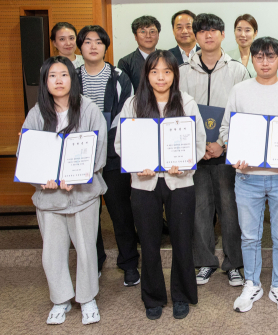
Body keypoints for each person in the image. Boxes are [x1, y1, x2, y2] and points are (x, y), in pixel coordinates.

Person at [221, 37, 278, 314]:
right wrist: (234, 151)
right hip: (247, 177)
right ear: (253, 59)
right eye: (259, 57)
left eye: (270, 56)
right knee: (250, 237)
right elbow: (226, 130)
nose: (264, 62)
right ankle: (252, 283)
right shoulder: (239, 90)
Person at [114, 50, 206, 320]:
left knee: (182, 240)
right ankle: (153, 297)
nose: (161, 77)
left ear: (175, 75)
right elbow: (121, 143)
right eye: (155, 72)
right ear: (147, 75)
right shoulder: (133, 104)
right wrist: (136, 164)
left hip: (180, 181)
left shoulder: (186, 102)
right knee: (149, 242)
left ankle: (181, 296)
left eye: (167, 71)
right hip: (144, 183)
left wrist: (185, 163)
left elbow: (199, 142)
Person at [20, 56, 107, 325]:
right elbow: (26, 154)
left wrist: (77, 178)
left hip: (83, 195)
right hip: (49, 197)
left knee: (86, 249)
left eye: (64, 75)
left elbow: (99, 150)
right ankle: (60, 300)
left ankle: (87, 298)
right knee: (52, 252)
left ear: (73, 78)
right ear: (45, 81)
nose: (58, 81)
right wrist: (41, 180)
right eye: (52, 76)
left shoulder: (88, 109)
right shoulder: (36, 113)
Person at [179, 13, 249, 287]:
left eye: (214, 30)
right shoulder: (182, 71)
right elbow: (178, 113)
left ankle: (233, 264)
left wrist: (223, 144)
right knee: (200, 211)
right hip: (195, 156)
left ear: (223, 35)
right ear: (195, 36)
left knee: (231, 212)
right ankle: (205, 262)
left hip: (226, 155)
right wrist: (199, 147)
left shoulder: (237, 71)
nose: (208, 35)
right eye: (202, 30)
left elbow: (243, 113)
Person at [75, 25, 140, 288]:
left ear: (105, 47)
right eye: (87, 42)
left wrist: (104, 140)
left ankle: (129, 264)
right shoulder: (71, 75)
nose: (93, 46)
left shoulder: (119, 77)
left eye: (99, 42)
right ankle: (95, 261)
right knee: (86, 212)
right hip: (79, 154)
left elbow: (126, 113)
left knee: (120, 211)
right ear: (80, 47)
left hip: (113, 153)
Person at [118, 15, 182, 92]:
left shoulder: (168, 59)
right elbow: (126, 91)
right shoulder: (126, 63)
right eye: (143, 32)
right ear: (135, 36)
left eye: (152, 32)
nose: (148, 36)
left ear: (158, 35)